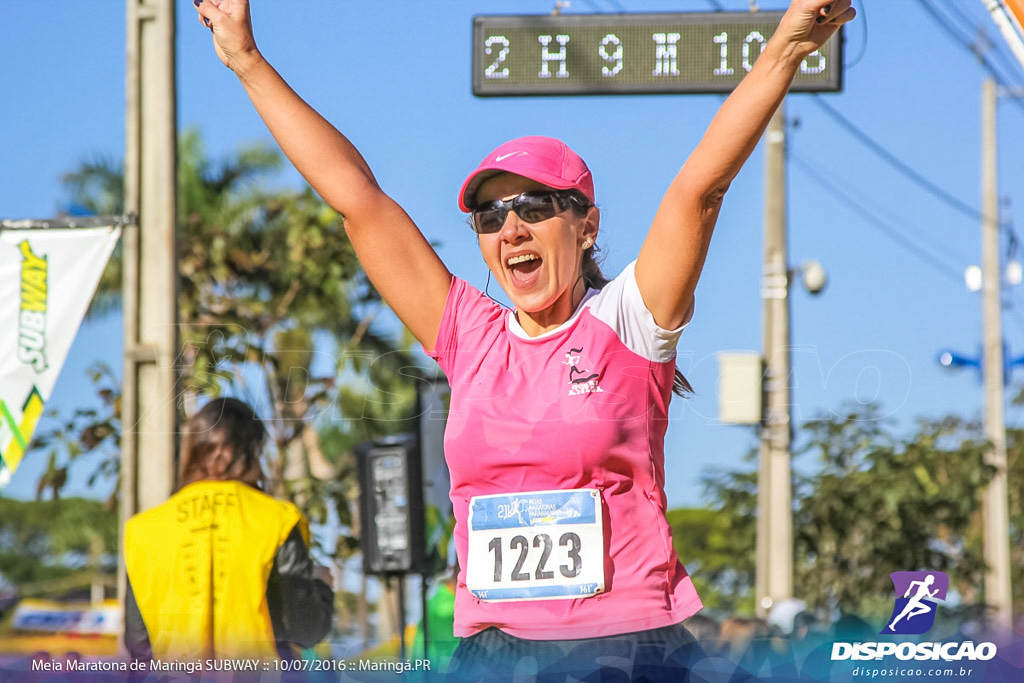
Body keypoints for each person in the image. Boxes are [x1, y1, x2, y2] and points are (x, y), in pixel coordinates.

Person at [193, 0, 854, 678]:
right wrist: (247, 60)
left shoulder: (627, 319)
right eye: (490, 215)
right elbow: (356, 197)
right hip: (496, 652)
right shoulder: (467, 333)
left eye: (535, 207)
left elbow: (699, 189)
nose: (511, 229)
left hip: (626, 647)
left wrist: (784, 52)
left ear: (586, 225)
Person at [123, 398, 334, 662]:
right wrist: (320, 586)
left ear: (191, 451)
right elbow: (304, 630)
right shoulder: (277, 520)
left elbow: (139, 644)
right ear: (252, 451)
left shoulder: (144, 531)